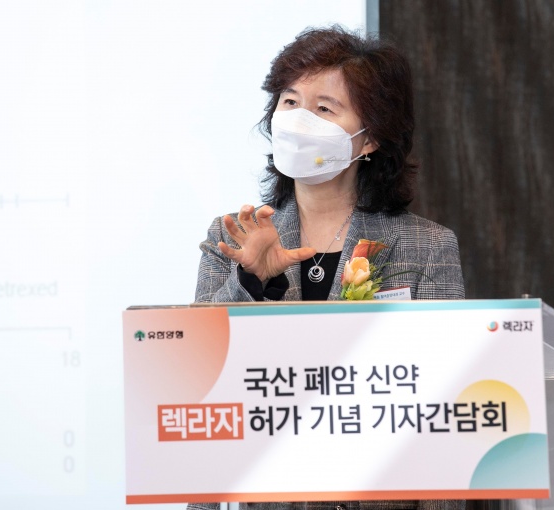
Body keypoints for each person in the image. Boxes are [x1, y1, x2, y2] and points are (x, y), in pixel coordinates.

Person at [190, 26, 465, 510]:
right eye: (290, 102)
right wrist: (251, 279)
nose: (298, 120)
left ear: (370, 138)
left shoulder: (428, 247)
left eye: (323, 108)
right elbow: (199, 383)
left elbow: (444, 418)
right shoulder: (231, 236)